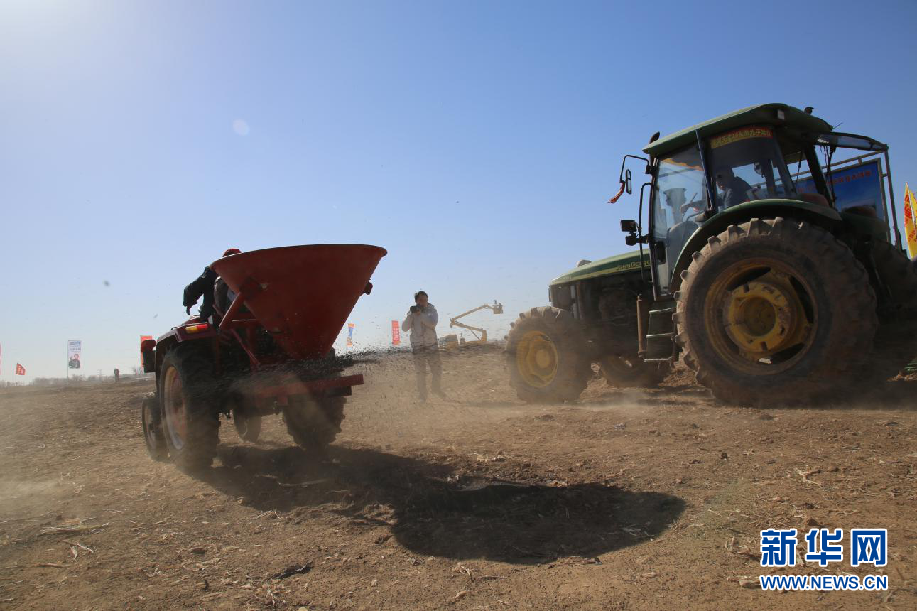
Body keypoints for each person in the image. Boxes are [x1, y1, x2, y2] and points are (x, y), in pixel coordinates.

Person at [402, 290, 445, 402]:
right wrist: (411, 316)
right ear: (416, 301)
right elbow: (404, 328)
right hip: (418, 347)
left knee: (437, 370)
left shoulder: (432, 310)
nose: (423, 302)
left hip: (431, 345)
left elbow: (432, 323)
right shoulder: (411, 313)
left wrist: (420, 314)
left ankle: (436, 388)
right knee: (420, 373)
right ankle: (422, 395)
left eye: (425, 300)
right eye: (421, 300)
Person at [183, 248, 241, 321]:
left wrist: (189, 302)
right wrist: (189, 302)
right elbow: (195, 287)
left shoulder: (213, 272)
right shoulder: (247, 273)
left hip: (217, 317)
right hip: (221, 316)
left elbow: (194, 288)